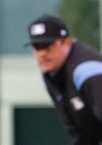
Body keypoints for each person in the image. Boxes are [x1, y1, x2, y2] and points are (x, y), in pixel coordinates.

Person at [27, 15, 102, 144]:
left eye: (48, 45)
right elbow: (77, 131)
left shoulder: (87, 70)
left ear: (66, 42)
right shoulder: (50, 75)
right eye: (37, 47)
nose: (42, 54)